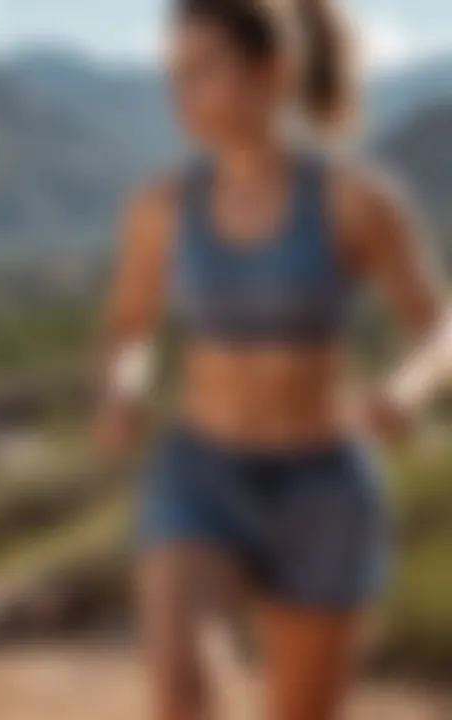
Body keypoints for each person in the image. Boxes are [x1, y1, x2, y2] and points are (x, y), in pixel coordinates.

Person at [94, 1, 450, 718]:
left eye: (203, 69)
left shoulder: (357, 201)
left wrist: (403, 395)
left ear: (273, 73)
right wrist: (125, 389)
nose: (181, 92)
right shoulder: (162, 207)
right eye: (174, 72)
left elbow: (438, 328)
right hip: (202, 474)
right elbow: (130, 327)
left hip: (323, 489)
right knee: (182, 687)